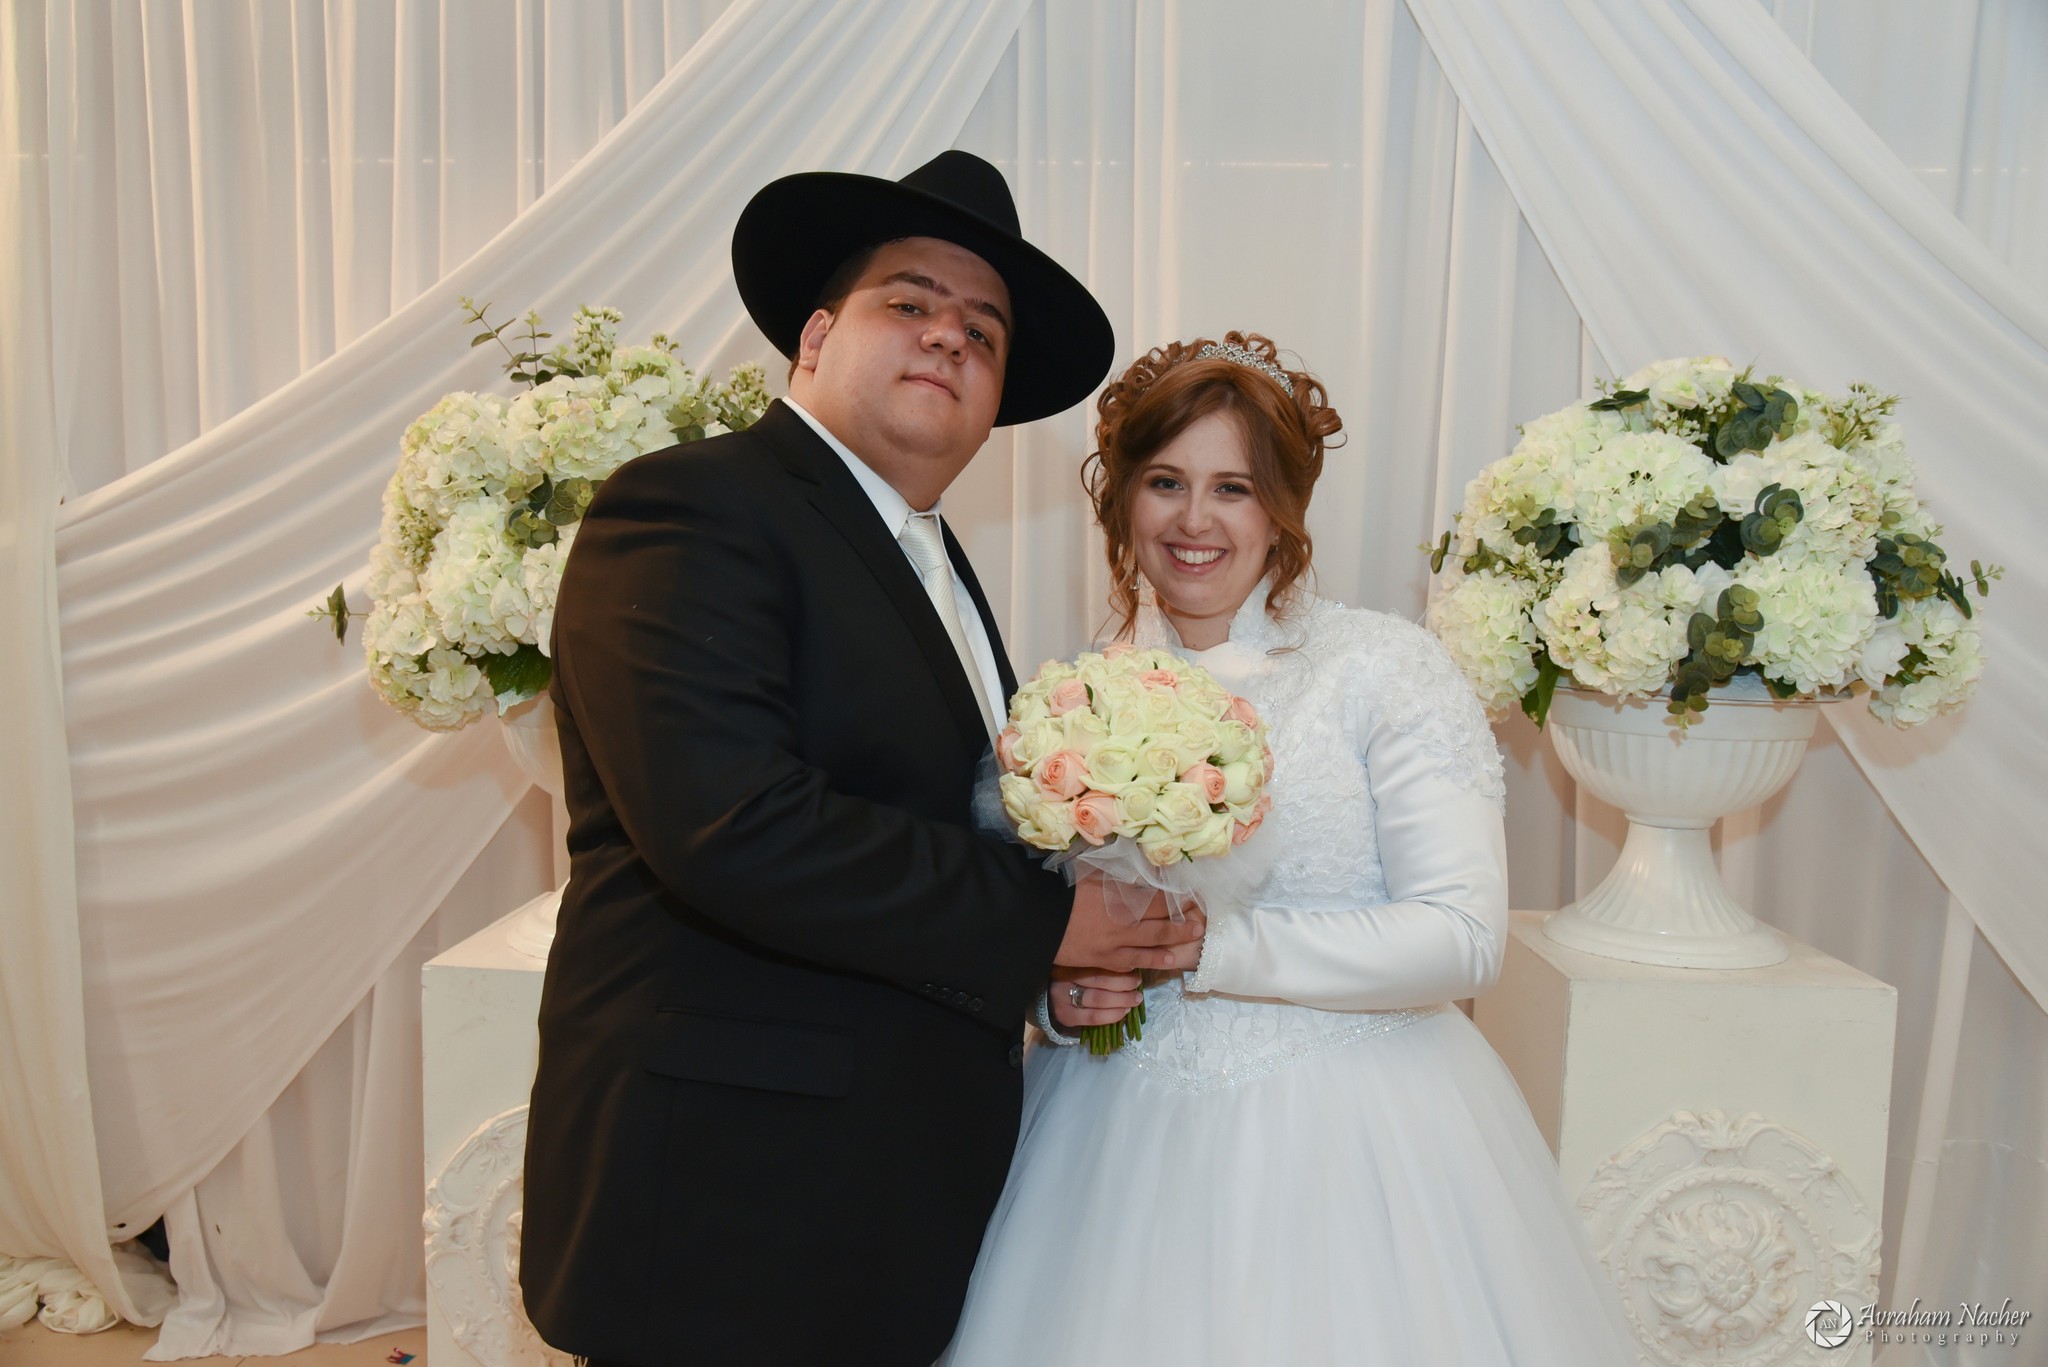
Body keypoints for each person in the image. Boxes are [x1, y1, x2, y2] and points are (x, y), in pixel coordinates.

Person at [518, 151, 1206, 1367]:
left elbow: (928, 824)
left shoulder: (927, 556)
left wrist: (1043, 976)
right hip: (727, 1197)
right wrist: (1047, 920)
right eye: (910, 302)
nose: (948, 336)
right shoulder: (692, 505)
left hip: (874, 1192)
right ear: (815, 337)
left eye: (982, 331)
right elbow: (733, 824)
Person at [941, 333, 1642, 1365]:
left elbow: (1461, 937)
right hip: (1109, 1133)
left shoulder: (1383, 669)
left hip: (1353, 1132)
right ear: (1121, 499)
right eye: (1165, 481)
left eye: (1232, 488)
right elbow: (1056, 917)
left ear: (1282, 508)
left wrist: (1208, 950)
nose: (1193, 519)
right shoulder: (1079, 694)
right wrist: (1064, 993)